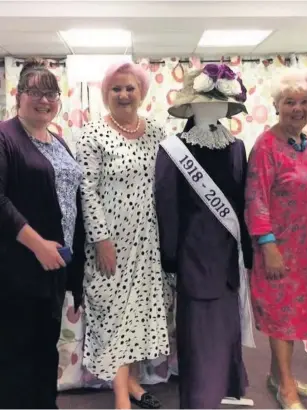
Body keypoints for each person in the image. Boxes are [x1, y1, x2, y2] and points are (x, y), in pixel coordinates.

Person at [154, 64, 254, 409]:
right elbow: (167, 207)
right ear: (191, 107)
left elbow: (242, 202)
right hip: (193, 256)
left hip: (228, 259)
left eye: (218, 102)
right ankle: (198, 400)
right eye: (204, 101)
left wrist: (248, 252)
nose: (212, 108)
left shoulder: (236, 147)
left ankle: (221, 395)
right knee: (198, 337)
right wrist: (170, 256)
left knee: (226, 335)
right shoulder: (173, 149)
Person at [76, 61, 171, 410]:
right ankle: (120, 395)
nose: (124, 94)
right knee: (112, 315)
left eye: (130, 87)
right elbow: (86, 189)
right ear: (105, 94)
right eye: (116, 88)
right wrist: (101, 240)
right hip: (109, 242)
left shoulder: (157, 132)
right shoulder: (91, 134)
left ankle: (130, 382)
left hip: (147, 241)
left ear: (141, 92)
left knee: (136, 315)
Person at [245, 68, 307, 410]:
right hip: (279, 249)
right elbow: (255, 198)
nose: (297, 108)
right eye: (289, 102)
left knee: (294, 316)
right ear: (277, 106)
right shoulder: (266, 146)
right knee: (281, 318)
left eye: (303, 102)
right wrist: (268, 246)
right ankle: (286, 388)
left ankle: (277, 376)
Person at [0, 57, 85, 409]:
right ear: (18, 95)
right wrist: (37, 245)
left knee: (43, 351)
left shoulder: (58, 141)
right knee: (17, 355)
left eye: (51, 92)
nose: (44, 99)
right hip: (18, 268)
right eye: (34, 91)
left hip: (52, 269)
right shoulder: (5, 137)